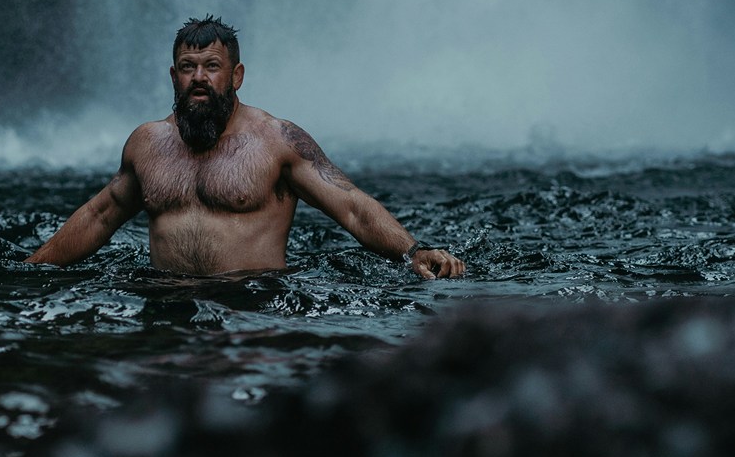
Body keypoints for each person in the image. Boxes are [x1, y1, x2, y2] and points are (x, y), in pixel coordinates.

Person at [24, 16, 466, 280]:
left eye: (211, 67)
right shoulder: (146, 143)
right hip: (167, 307)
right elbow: (100, 215)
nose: (199, 77)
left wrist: (412, 251)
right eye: (187, 67)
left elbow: (351, 206)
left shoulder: (277, 140)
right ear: (173, 76)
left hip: (252, 308)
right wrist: (31, 270)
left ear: (235, 76)